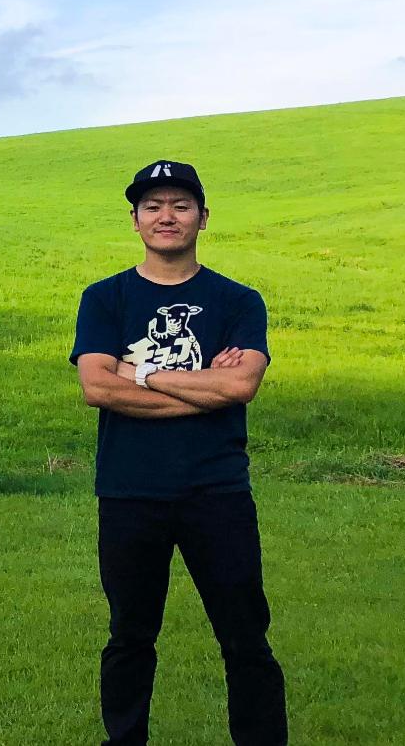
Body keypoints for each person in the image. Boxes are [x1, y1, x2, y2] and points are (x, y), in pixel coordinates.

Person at [70, 160, 288, 746]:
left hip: (216, 494)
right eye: (153, 206)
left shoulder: (239, 301)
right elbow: (96, 388)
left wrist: (138, 375)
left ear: (203, 217)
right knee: (130, 637)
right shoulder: (105, 298)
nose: (167, 216)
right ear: (136, 221)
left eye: (181, 205)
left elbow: (240, 387)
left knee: (245, 637)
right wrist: (203, 389)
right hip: (128, 493)